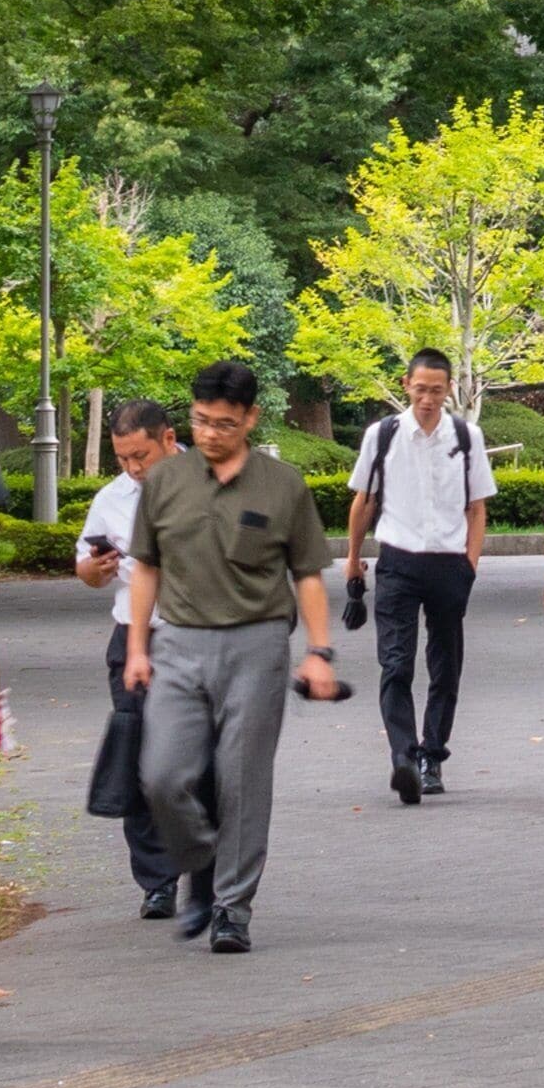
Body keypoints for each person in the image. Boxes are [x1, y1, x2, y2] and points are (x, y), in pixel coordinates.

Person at [126, 361, 340, 953]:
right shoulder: (166, 482)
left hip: (257, 643)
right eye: (200, 422)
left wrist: (319, 652)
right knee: (161, 775)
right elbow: (146, 566)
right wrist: (138, 648)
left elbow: (310, 576)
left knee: (244, 780)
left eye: (224, 423)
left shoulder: (283, 485)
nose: (210, 433)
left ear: (250, 419)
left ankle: (231, 908)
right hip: (178, 644)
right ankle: (199, 856)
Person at [341, 349, 490, 806]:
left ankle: (433, 757)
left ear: (449, 391)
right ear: (406, 385)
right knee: (396, 663)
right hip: (397, 562)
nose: (428, 399)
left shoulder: (467, 436)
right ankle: (403, 758)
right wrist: (352, 557)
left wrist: (470, 564)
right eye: (420, 389)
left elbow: (477, 507)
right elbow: (364, 500)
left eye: (437, 390)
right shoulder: (382, 435)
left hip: (449, 564)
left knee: (446, 666)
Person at [74, 399, 191, 921]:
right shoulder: (113, 498)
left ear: (169, 439)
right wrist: (95, 570)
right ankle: (157, 880)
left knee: (195, 759)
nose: (133, 468)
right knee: (140, 756)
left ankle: (209, 867)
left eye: (140, 455)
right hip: (134, 637)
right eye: (122, 458)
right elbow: (85, 568)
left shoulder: (209, 480)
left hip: (198, 637)